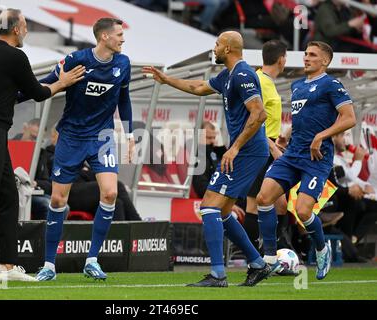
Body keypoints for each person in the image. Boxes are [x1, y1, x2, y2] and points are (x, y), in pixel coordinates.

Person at [0, 8, 85, 282]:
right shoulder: (15, 56)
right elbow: (38, 94)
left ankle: (8, 264)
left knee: (8, 197)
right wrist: (62, 82)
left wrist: (55, 81)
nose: (26, 30)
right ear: (16, 29)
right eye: (25, 25)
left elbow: (15, 94)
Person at [143, 31, 272, 287]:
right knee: (222, 211)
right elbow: (199, 87)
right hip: (247, 150)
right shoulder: (228, 74)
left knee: (209, 206)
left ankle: (217, 275)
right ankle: (257, 264)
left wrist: (234, 148)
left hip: (247, 151)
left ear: (227, 48)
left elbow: (259, 114)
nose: (214, 48)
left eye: (216, 44)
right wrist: (166, 80)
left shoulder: (244, 74)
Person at [31, 18, 135, 281]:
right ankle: (49, 266)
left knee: (111, 193)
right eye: (119, 35)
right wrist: (13, 96)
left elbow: (124, 99)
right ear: (103, 37)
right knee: (57, 201)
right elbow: (43, 84)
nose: (123, 39)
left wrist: (130, 133)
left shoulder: (123, 64)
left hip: (101, 137)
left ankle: (92, 260)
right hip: (71, 137)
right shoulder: (76, 59)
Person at [256, 41, 357, 281]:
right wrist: (286, 135)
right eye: (305, 54)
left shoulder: (331, 84)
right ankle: (269, 258)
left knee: (303, 210)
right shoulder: (297, 85)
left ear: (325, 61)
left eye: (312, 55)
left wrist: (321, 136)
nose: (306, 58)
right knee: (263, 198)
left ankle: (322, 250)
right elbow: (303, 118)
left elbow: (349, 118)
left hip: (317, 158)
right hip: (292, 154)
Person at [244, 40, 291, 269]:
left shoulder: (268, 82)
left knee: (281, 204)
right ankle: (255, 258)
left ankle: (275, 252)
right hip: (257, 149)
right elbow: (253, 119)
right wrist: (271, 146)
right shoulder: (259, 81)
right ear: (282, 59)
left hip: (270, 147)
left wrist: (277, 141)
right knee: (254, 205)